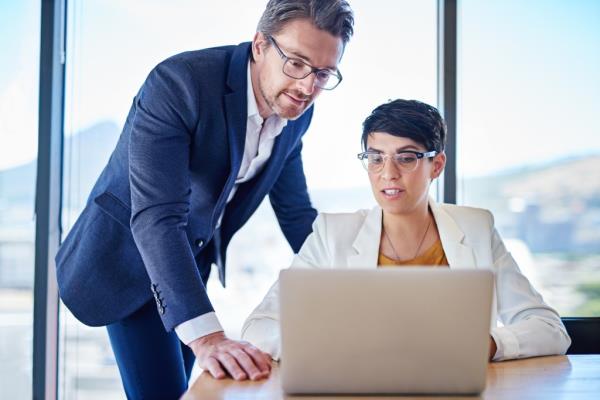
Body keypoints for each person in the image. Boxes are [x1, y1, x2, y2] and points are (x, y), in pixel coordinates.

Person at [55, 0, 354, 397]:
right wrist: (210, 336)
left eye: (324, 73)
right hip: (131, 258)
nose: (307, 87)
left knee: (188, 391)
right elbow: (157, 216)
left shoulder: (297, 113)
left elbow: (296, 213)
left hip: (189, 265)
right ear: (260, 45)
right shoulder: (179, 83)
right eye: (296, 63)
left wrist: (354, 288)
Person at [241, 99, 571, 362]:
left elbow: (549, 329)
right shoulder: (332, 235)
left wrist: (485, 345)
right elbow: (259, 328)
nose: (388, 174)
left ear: (437, 165)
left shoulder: (476, 229)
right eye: (375, 158)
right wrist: (335, 351)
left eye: (407, 158)